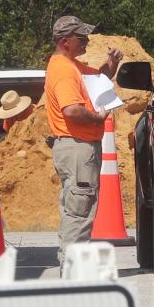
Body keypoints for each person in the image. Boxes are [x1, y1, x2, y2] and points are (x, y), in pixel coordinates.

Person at [45, 15, 123, 264]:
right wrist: (98, 119)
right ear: (66, 41)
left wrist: (111, 65)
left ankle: (71, 267)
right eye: (82, 37)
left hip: (76, 148)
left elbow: (97, 80)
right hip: (77, 147)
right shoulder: (65, 71)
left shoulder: (71, 66)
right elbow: (72, 110)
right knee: (79, 213)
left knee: (75, 209)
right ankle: (73, 271)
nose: (87, 41)